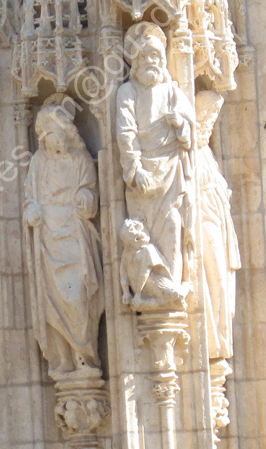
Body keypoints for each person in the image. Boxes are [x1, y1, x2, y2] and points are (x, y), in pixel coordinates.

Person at [24, 95, 103, 379]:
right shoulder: (37, 164)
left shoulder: (81, 159)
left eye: (49, 132)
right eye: (42, 135)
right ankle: (64, 358)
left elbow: (89, 191)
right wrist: (31, 210)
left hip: (74, 235)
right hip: (49, 239)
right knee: (53, 300)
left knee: (78, 296)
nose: (46, 139)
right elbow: (30, 198)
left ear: (64, 131)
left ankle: (86, 356)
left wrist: (84, 197)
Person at [117, 22, 196, 291]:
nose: (151, 60)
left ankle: (171, 291)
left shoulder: (172, 92)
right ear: (135, 60)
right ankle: (147, 291)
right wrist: (135, 168)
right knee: (142, 233)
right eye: (145, 55)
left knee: (173, 224)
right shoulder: (127, 92)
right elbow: (125, 132)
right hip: (144, 177)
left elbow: (190, 135)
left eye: (156, 56)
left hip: (171, 171)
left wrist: (180, 125)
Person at [195, 90, 241, 360]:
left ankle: (220, 342)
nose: (210, 123)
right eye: (207, 117)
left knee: (221, 283)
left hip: (218, 221)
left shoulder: (207, 154)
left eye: (213, 119)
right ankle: (212, 341)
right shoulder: (190, 154)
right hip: (204, 220)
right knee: (213, 279)